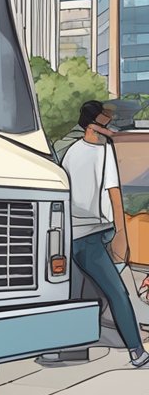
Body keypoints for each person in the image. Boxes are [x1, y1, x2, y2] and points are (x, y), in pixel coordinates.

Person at [62, 100, 149, 368]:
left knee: (81, 294)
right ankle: (137, 351)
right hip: (91, 237)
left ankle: (66, 348)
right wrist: (122, 234)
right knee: (117, 292)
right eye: (104, 124)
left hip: (75, 236)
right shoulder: (102, 153)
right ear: (91, 127)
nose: (109, 129)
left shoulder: (70, 154)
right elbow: (114, 194)